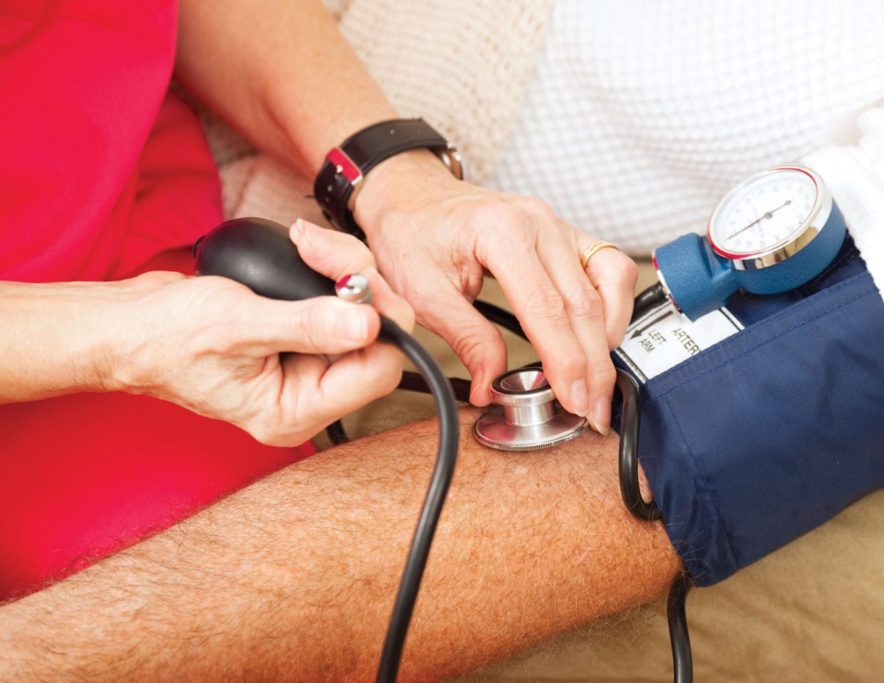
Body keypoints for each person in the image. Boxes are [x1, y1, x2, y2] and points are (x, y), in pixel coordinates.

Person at [0, 0, 635, 599]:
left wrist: (391, 177)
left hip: (137, 237)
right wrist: (121, 335)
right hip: (83, 331)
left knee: (262, 570)